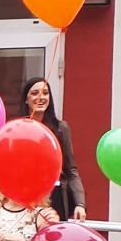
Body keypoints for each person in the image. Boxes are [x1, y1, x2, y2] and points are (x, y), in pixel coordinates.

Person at [20, 77, 86, 219]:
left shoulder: (61, 128)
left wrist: (80, 204)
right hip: (26, 198)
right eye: (35, 93)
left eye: (45, 93)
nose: (40, 97)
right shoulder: (18, 129)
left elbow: (71, 169)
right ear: (26, 99)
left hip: (56, 198)